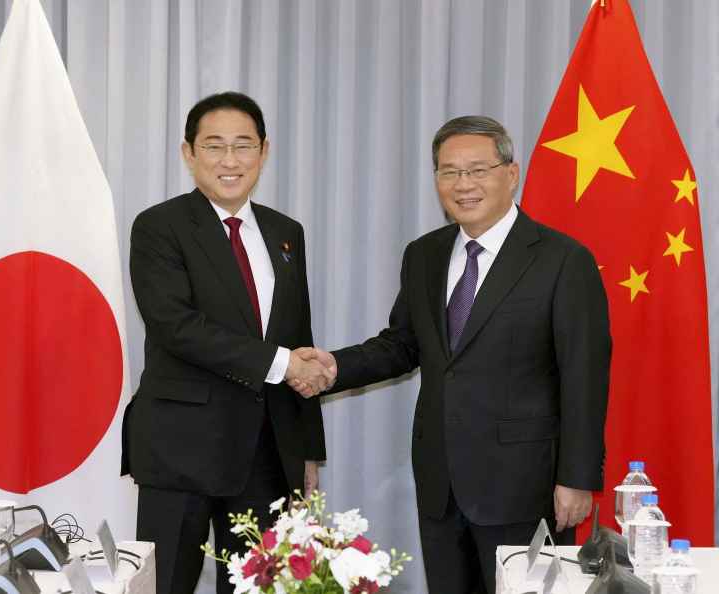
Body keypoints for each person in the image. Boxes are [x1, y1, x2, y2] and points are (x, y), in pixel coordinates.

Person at [292, 116, 611, 594]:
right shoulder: (424, 255)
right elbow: (402, 344)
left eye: (478, 170)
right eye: (449, 172)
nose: (463, 185)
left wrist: (577, 478)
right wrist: (335, 366)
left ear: (511, 172)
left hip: (526, 485)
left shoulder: (563, 260)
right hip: (441, 481)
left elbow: (584, 376)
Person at [122, 91, 334, 594]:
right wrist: (284, 364)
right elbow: (176, 327)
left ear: (264, 151)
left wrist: (306, 452)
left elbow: (298, 338)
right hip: (181, 449)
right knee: (165, 584)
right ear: (188, 153)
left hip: (266, 453)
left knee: (257, 588)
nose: (230, 160)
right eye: (214, 146)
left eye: (243, 145)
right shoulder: (159, 226)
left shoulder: (287, 233)